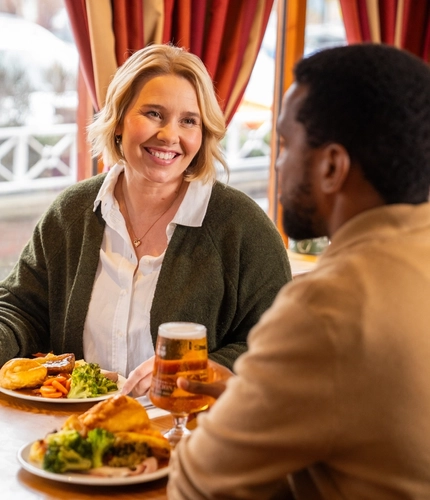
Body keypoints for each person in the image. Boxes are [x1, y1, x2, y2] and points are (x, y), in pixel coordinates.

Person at [167, 43, 430, 499]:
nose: (277, 163)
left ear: (331, 166)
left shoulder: (327, 305)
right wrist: (252, 403)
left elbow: (198, 485)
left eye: (286, 144)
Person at [0, 44, 292, 387]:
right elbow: (20, 310)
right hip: (75, 428)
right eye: (154, 114)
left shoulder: (243, 227)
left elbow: (282, 345)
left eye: (188, 121)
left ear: (204, 134)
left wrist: (195, 370)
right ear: (119, 119)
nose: (170, 135)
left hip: (194, 430)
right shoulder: (71, 213)